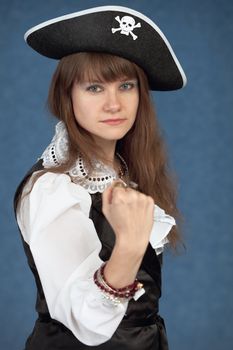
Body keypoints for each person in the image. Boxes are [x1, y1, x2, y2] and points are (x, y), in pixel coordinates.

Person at [14, 5, 187, 350]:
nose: (114, 104)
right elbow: (86, 322)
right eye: (94, 88)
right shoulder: (53, 189)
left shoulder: (127, 173)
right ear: (67, 96)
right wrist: (129, 246)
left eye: (126, 85)